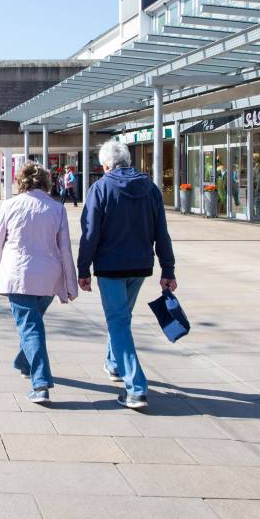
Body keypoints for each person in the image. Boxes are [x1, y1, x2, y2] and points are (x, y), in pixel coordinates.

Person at [77, 140, 176, 411]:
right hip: (140, 266)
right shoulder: (151, 190)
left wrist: (83, 269)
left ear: (106, 165)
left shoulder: (100, 189)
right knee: (122, 318)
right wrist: (168, 269)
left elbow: (89, 233)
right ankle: (114, 364)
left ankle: (135, 388)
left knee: (118, 321)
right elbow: (161, 233)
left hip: (110, 267)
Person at [0, 162, 79, 405]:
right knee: (32, 323)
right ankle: (23, 360)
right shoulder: (56, 209)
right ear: (47, 183)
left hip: (18, 276)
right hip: (48, 277)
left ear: (22, 181)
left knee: (30, 327)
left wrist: (1, 271)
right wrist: (70, 284)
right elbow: (65, 250)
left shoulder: (9, 205)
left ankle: (40, 383)